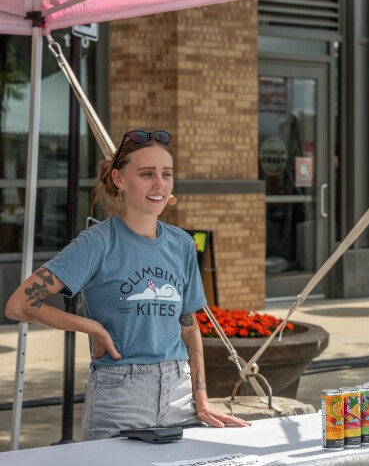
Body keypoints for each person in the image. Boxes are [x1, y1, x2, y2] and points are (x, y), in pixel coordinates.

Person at [5, 129, 250, 440]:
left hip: (179, 392)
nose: (159, 184)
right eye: (147, 174)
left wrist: (201, 398)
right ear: (120, 180)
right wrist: (92, 327)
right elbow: (19, 305)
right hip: (120, 395)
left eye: (166, 174)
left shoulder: (182, 244)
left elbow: (188, 326)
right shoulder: (97, 243)